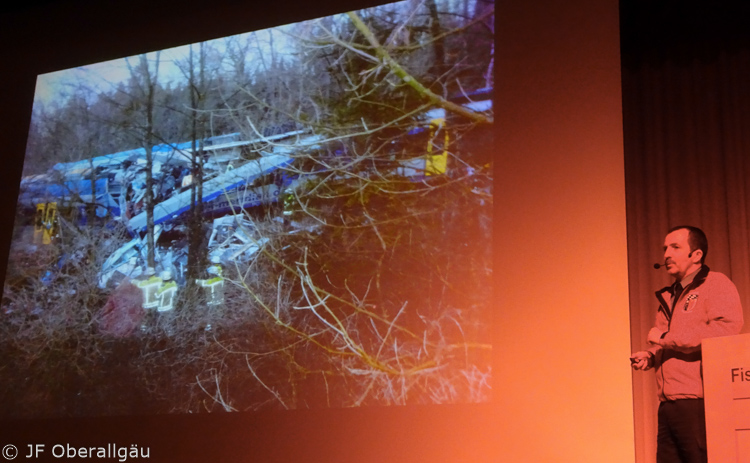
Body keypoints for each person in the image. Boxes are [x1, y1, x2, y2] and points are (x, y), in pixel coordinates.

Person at [631, 225, 743, 463]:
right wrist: (651, 355)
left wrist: (665, 339)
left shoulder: (715, 283)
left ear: (697, 255)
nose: (666, 254)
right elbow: (664, 341)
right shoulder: (669, 295)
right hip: (668, 404)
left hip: (699, 403)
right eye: (665, 248)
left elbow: (726, 329)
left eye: (675, 247)